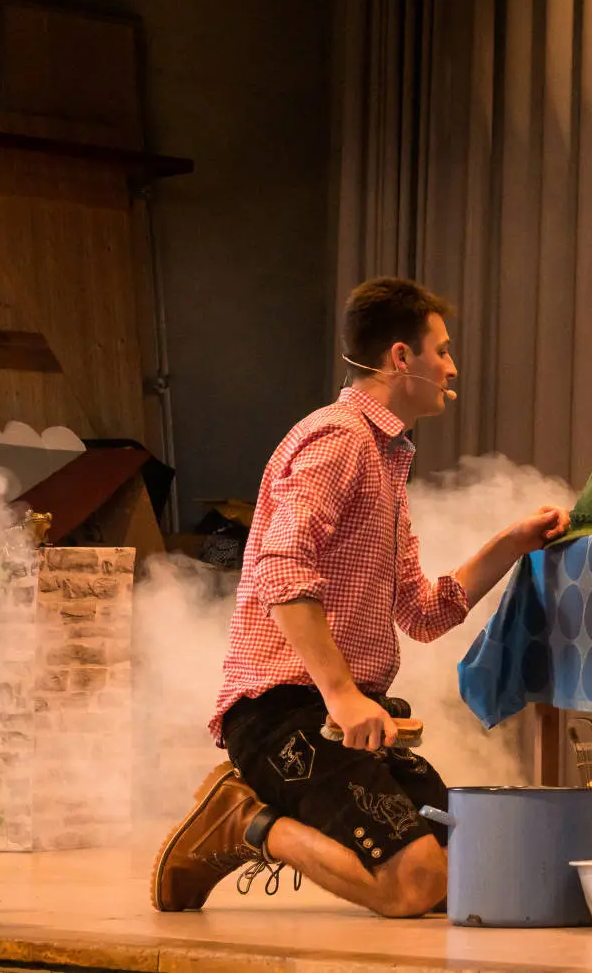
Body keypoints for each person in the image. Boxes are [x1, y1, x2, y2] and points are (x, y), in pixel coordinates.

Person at [150, 278, 570, 916]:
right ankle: (242, 821)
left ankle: (264, 816)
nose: (452, 368)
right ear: (402, 357)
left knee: (467, 870)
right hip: (284, 714)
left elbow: (424, 612)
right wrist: (342, 694)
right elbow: (279, 564)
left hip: (344, 718)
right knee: (417, 884)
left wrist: (514, 542)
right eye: (442, 351)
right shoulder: (339, 439)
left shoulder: (383, 458)